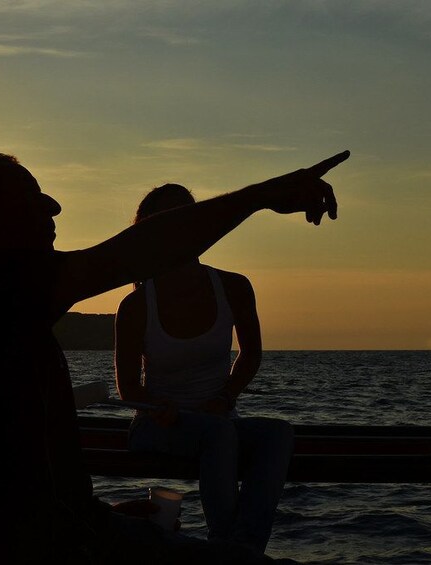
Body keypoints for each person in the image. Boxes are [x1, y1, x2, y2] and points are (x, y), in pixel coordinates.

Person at [0, 149, 349, 564]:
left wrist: (94, 515)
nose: (53, 206)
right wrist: (263, 195)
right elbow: (126, 258)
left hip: (33, 537)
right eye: (31, 195)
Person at [114, 183, 293, 554]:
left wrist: (225, 396)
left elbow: (251, 354)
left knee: (277, 433)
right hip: (156, 426)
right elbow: (129, 389)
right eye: (165, 221)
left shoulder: (234, 286)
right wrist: (157, 406)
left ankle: (243, 548)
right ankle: (226, 547)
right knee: (219, 435)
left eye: (186, 217)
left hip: (218, 420)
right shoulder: (135, 306)